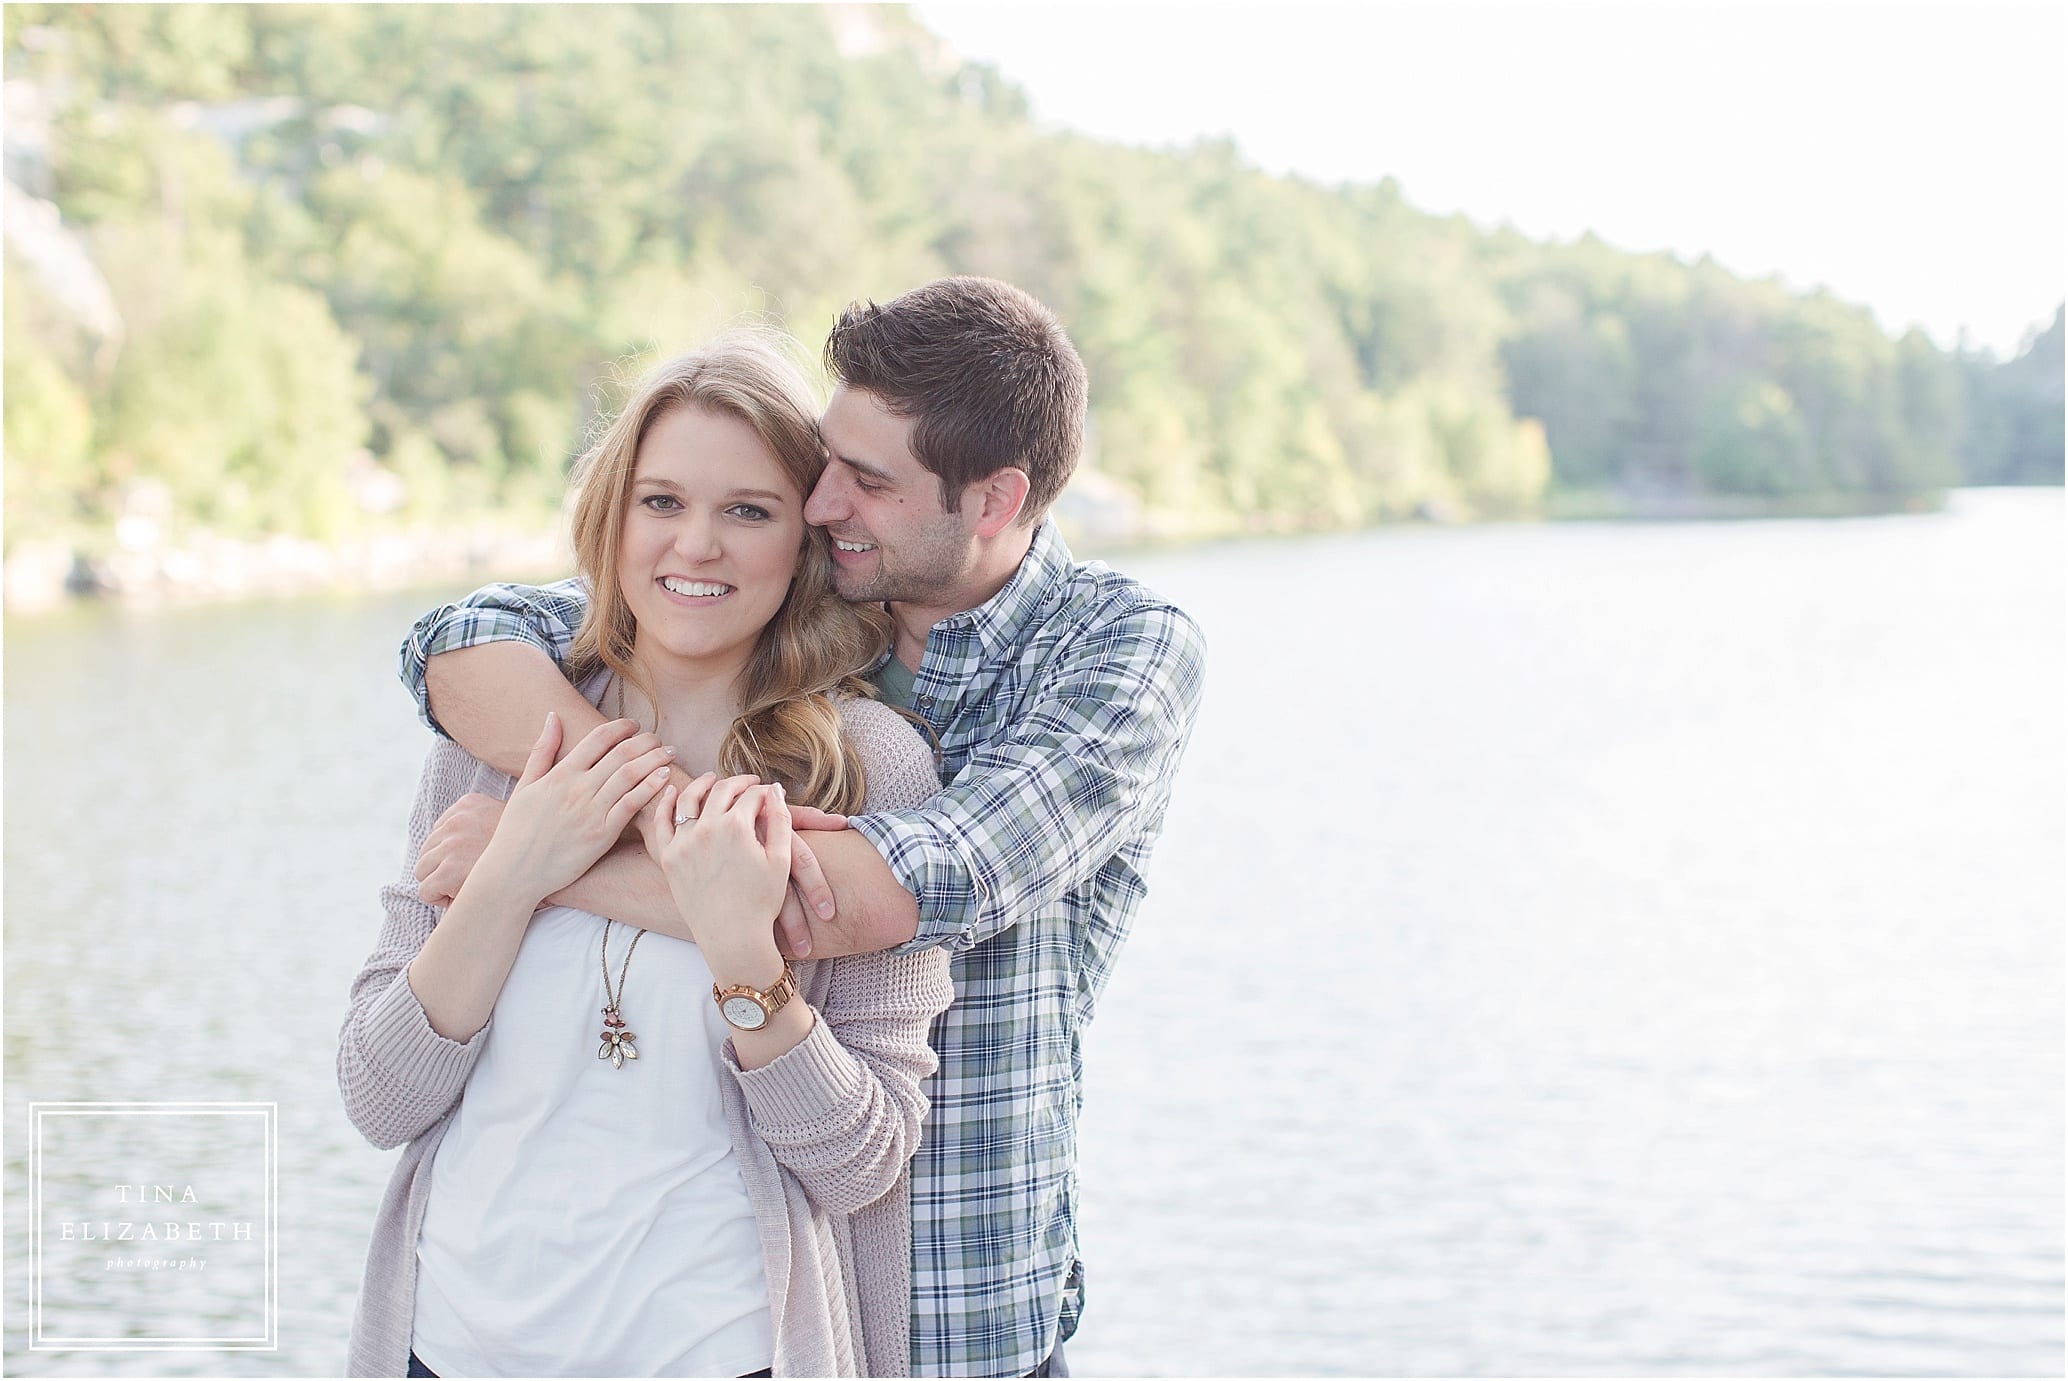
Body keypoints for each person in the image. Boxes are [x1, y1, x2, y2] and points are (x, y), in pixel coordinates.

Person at [398, 277, 1207, 1378]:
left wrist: (533, 857)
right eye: (826, 464)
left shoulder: (1117, 654)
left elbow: (879, 895)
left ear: (993, 500)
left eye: (867, 481)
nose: (824, 501)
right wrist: (583, 824)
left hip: (954, 1309)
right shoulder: (814, 593)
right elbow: (466, 643)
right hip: (764, 1298)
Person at [339, 336, 953, 1378]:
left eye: (747, 511)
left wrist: (740, 955)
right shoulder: (495, 746)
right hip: (447, 1346)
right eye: (661, 501)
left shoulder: (868, 770)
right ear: (612, 517)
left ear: (802, 543)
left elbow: (861, 1160)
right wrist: (515, 869)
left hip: (720, 1352)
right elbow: (379, 1096)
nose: (696, 545)